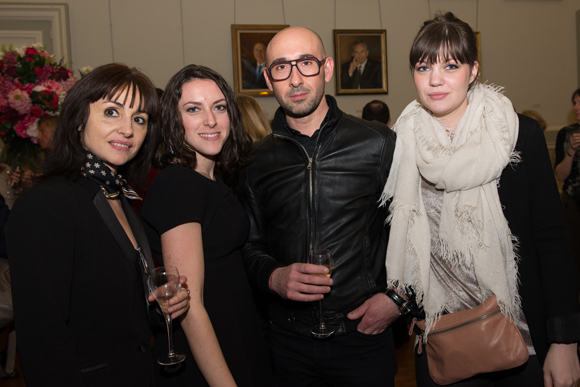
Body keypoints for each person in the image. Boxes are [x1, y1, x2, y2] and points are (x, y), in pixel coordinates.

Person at [381, 12, 580, 386]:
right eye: (423, 67)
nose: (435, 80)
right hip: (443, 342)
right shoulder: (399, 145)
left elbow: (553, 243)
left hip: (521, 341)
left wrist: (565, 340)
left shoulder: (518, 135)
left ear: (473, 70)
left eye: (450, 65)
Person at [6, 63, 190, 386]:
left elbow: (118, 309)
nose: (128, 129)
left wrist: (162, 307)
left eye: (139, 119)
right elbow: (43, 339)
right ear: (78, 121)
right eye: (111, 112)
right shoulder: (45, 205)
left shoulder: (120, 199)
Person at [238, 26, 398, 387]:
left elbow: (419, 230)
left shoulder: (378, 144)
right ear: (268, 78)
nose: (295, 78)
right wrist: (273, 277)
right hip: (288, 343)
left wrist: (398, 300)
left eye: (305, 63)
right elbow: (248, 245)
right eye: (281, 67)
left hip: (364, 337)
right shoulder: (255, 161)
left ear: (326, 69)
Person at [140, 64, 274, 387]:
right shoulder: (178, 184)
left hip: (237, 334)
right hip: (212, 351)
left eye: (219, 107)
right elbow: (190, 306)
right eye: (193, 109)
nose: (211, 121)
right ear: (174, 120)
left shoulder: (209, 180)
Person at [555, 88, 580, 287]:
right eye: (574, 102)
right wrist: (571, 151)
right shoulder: (566, 133)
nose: (576, 108)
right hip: (573, 203)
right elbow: (560, 175)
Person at [9, 116, 58, 190]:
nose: (38, 137)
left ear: (57, 132)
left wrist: (38, 180)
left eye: (42, 132)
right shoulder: (47, 157)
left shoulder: (68, 160)